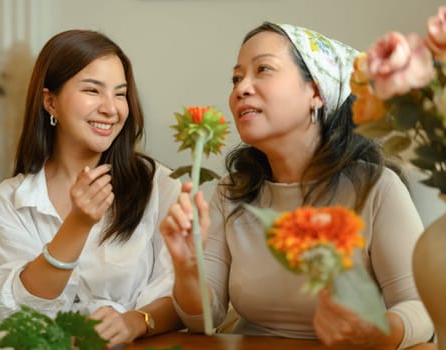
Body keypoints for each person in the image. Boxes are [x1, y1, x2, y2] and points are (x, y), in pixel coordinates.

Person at [160, 22, 434, 349]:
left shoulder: (375, 188)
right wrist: (188, 270)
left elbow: (422, 309)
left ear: (316, 92)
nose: (241, 88)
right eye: (236, 78)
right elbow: (204, 318)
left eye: (263, 69)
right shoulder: (232, 191)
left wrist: (379, 332)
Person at [0, 29, 182, 348]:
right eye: (92, 90)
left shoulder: (158, 186)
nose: (111, 108)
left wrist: (136, 322)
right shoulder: (8, 202)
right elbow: (15, 311)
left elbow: (187, 298)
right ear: (50, 102)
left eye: (121, 93)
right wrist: (77, 224)